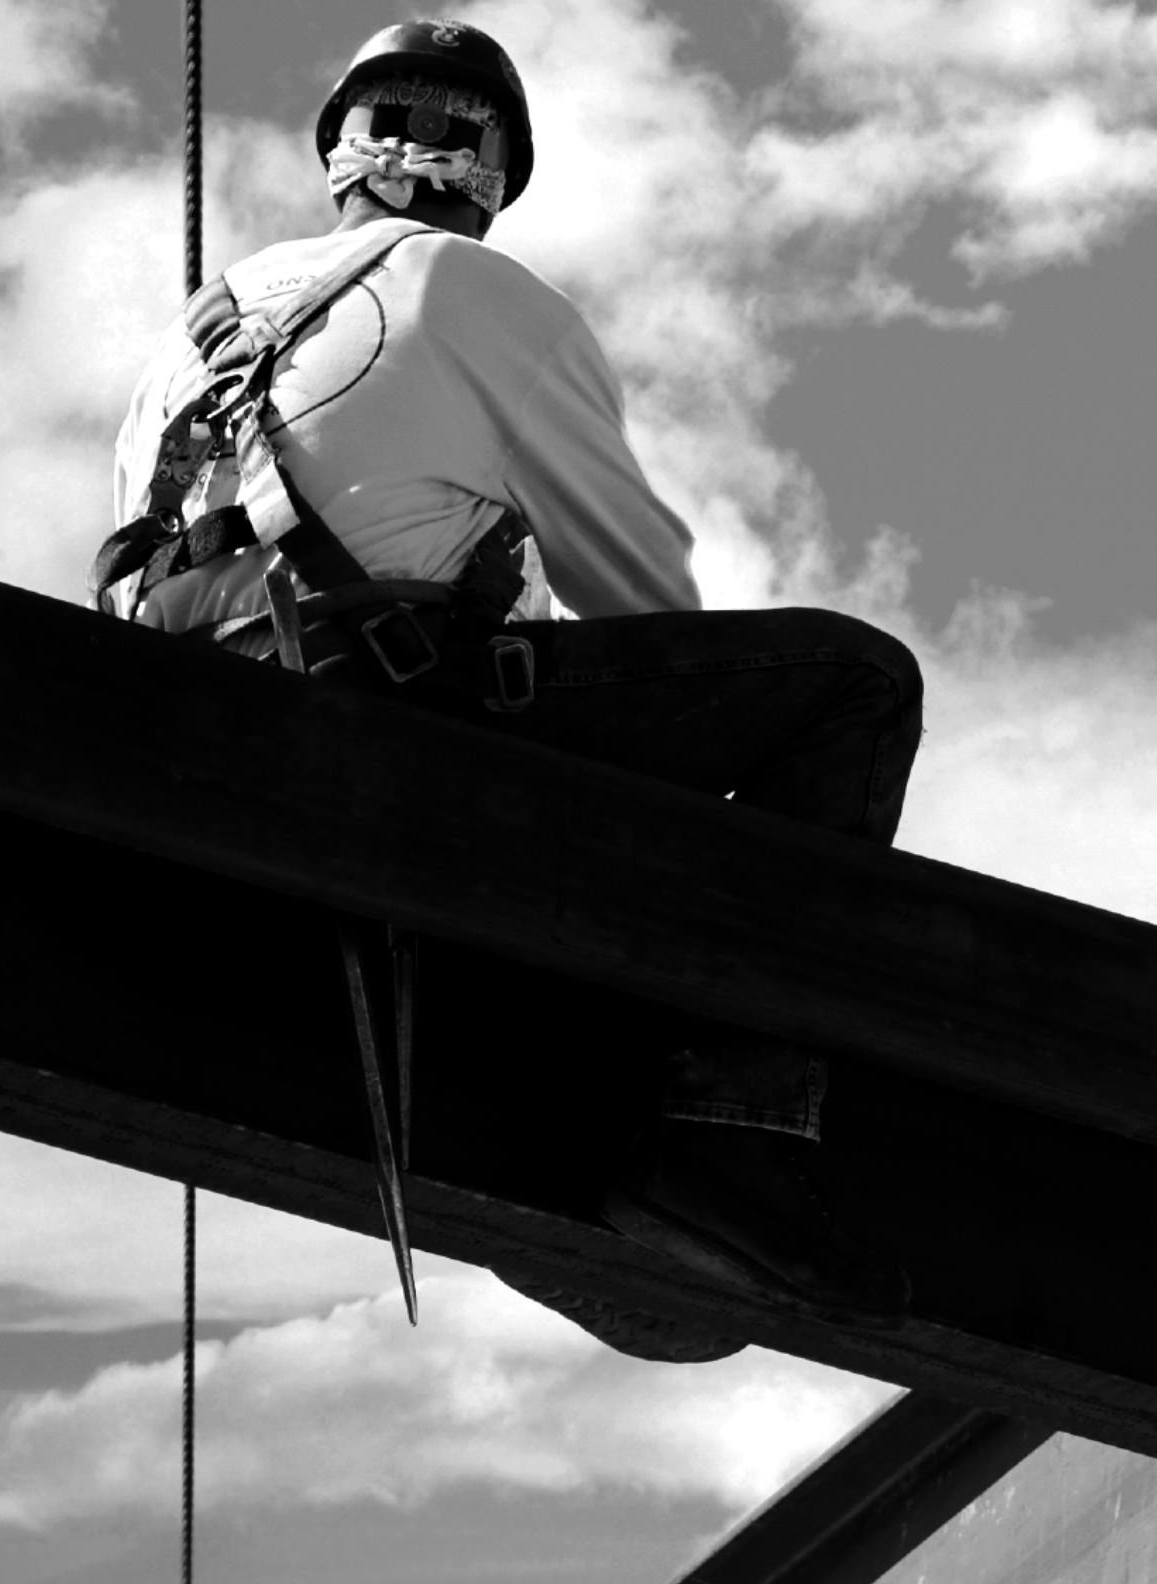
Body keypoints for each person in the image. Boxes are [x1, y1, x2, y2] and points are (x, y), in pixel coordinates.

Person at [100, 19, 916, 1353]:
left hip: (198, 752)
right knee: (848, 686)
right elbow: (641, 593)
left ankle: (560, 1165)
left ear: (340, 159)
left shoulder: (191, 339)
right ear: (489, 174)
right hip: (390, 716)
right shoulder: (479, 295)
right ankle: (728, 1131)